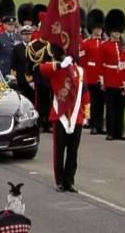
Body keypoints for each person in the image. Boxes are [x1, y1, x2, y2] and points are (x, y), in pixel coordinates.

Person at [39, 50, 90, 193]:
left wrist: (86, 114)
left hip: (76, 116)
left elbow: (85, 92)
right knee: (59, 150)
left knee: (73, 151)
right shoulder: (58, 69)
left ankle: (70, 180)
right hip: (60, 115)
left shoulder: (81, 71)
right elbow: (43, 69)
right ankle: (60, 181)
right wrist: (60, 65)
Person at [101, 8, 125, 141]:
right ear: (110, 32)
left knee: (120, 107)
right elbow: (101, 65)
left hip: (121, 81)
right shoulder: (105, 45)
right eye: (115, 32)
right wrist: (103, 81)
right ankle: (110, 132)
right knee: (111, 107)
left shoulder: (123, 46)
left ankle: (119, 132)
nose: (117, 34)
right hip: (110, 79)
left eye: (119, 32)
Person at [80, 9, 105, 135]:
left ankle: (99, 125)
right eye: (97, 28)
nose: (99, 30)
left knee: (100, 103)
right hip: (89, 76)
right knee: (90, 102)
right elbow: (83, 62)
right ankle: (91, 123)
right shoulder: (85, 43)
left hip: (100, 77)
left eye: (100, 28)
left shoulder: (104, 43)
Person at [0, 0, 20, 77]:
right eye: (9, 24)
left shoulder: (18, 37)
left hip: (15, 71)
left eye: (12, 24)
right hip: (3, 70)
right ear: (4, 25)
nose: (11, 26)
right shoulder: (0, 38)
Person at [10, 25, 35, 103]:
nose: (27, 36)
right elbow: (13, 65)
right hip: (21, 79)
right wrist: (15, 78)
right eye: (25, 34)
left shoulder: (35, 47)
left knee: (33, 100)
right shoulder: (17, 48)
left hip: (33, 79)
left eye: (29, 34)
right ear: (21, 35)